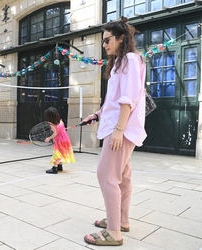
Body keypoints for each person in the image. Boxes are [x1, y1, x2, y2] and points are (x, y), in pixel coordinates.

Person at [83, 17, 146, 246]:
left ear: (121, 38)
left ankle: (113, 232)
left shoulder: (129, 58)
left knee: (106, 175)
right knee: (123, 177)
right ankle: (121, 220)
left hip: (122, 129)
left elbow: (128, 98)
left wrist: (119, 129)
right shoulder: (121, 61)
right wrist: (97, 115)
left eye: (108, 39)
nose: (104, 44)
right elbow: (114, 99)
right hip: (118, 126)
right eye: (103, 41)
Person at [44, 107, 76, 174]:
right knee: (62, 152)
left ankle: (54, 168)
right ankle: (60, 166)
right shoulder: (60, 121)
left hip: (59, 140)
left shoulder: (51, 124)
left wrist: (49, 138)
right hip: (65, 138)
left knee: (57, 153)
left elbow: (55, 133)